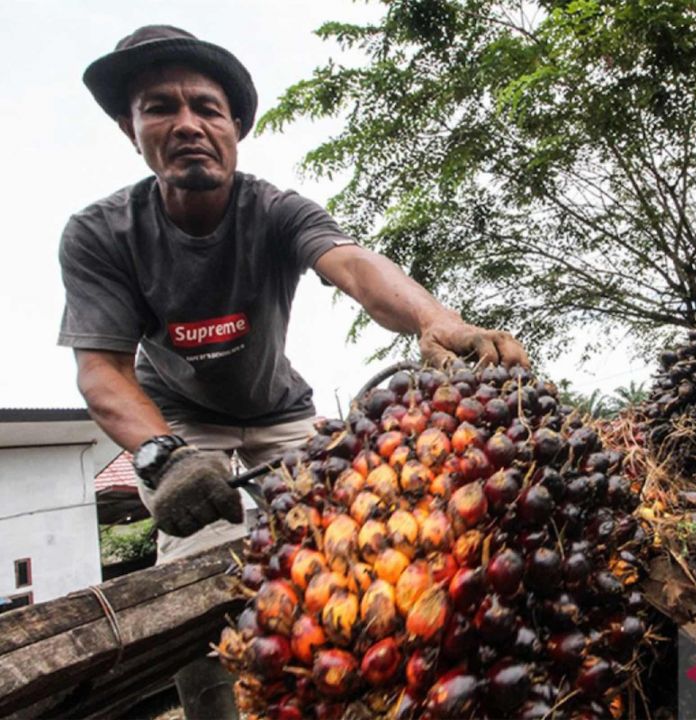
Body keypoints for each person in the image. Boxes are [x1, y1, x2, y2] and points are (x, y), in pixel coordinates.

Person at [58, 25, 527, 717]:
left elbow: (356, 268)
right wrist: (162, 454)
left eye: (206, 107)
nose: (187, 123)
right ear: (133, 131)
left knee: (341, 556)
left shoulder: (274, 209)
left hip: (280, 412)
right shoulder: (101, 234)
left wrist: (437, 320)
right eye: (160, 107)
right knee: (197, 597)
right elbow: (101, 370)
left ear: (235, 128)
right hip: (180, 423)